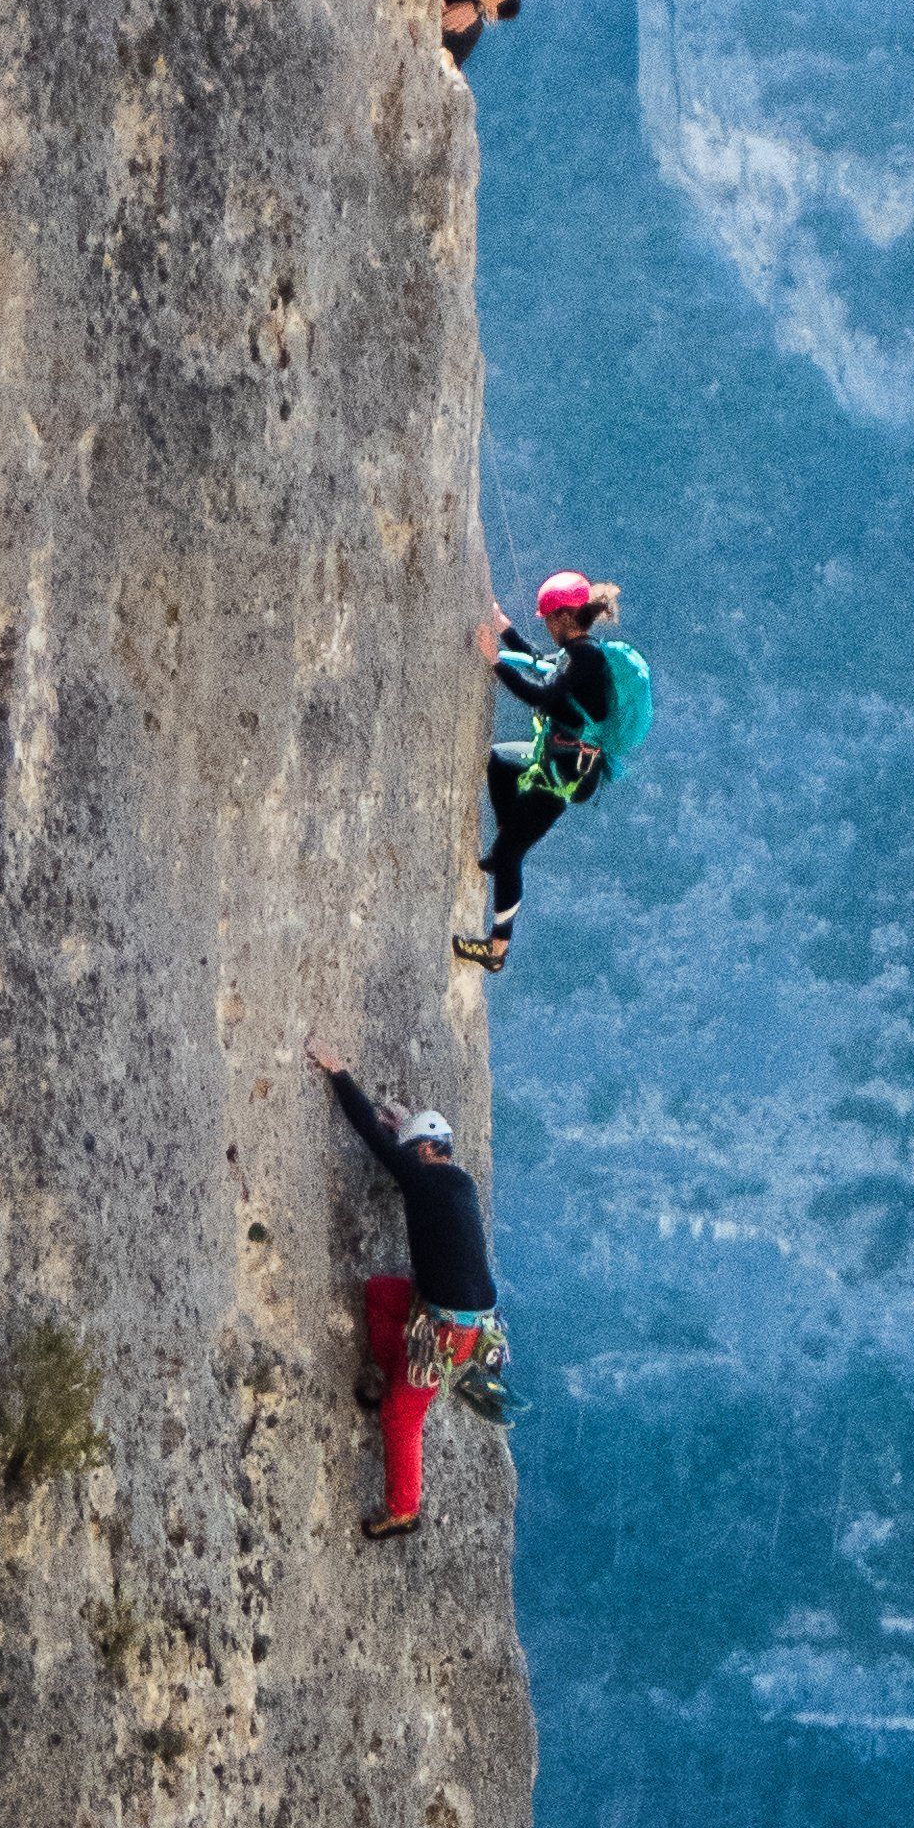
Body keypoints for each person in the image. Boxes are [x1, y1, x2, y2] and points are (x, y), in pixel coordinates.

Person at [305, 1035, 508, 1539]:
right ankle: (391, 1372)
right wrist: (407, 1133)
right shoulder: (455, 1181)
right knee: (379, 1294)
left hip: (446, 1333)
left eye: (410, 1150)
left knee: (402, 1414)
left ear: (421, 1150)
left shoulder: (423, 1178)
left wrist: (338, 1072)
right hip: (459, 1320)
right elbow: (401, 1146)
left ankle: (404, 1509)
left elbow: (372, 1137)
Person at [456, 569, 632, 973]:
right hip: (555, 759)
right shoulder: (579, 650)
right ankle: (505, 839)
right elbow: (542, 662)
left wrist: (495, 662)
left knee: (509, 857)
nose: (548, 628)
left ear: (563, 618)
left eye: (549, 620)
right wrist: (506, 630)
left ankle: (497, 950)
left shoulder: (587, 658)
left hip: (568, 776)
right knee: (499, 760)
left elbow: (542, 694)